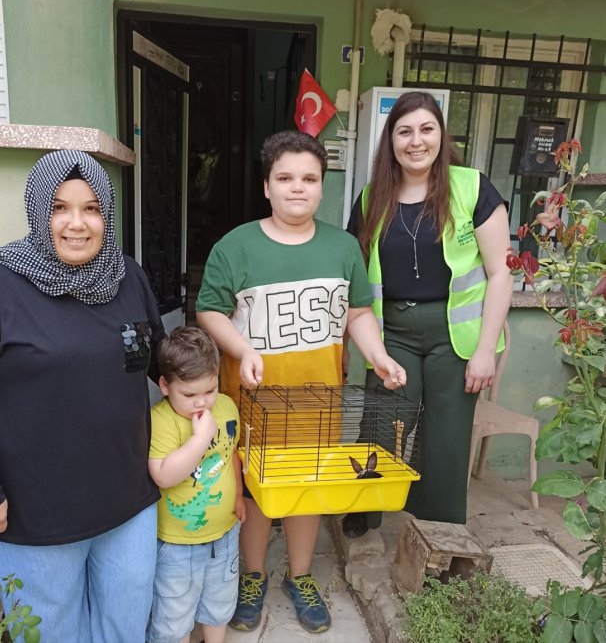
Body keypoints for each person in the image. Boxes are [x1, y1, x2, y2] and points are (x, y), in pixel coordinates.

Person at [0, 150, 165, 643]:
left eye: (92, 209)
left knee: (127, 626)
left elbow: (159, 359)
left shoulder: (125, 276)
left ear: (108, 213)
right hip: (34, 512)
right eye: (60, 208)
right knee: (53, 634)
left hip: (127, 501)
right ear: (39, 211)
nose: (77, 224)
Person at [196, 130, 406, 634]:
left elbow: (358, 312)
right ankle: (252, 577)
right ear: (266, 186)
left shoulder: (342, 247)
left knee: (306, 488)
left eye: (309, 178)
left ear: (322, 187)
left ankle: (301, 574)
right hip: (252, 401)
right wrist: (244, 349)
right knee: (254, 488)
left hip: (318, 398)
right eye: (285, 178)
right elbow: (209, 311)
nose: (297, 188)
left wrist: (377, 355)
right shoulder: (235, 246)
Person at [342, 90, 513, 537]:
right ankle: (367, 508)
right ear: (391, 140)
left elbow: (499, 275)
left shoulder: (473, 187)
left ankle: (440, 529)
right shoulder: (370, 198)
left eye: (426, 129)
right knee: (382, 423)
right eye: (404, 131)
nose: (415, 141)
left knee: (446, 438)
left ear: (440, 134)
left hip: (456, 337)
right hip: (391, 332)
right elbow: (355, 278)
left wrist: (485, 352)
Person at [147, 326, 246, 643]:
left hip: (225, 534)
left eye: (210, 390)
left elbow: (231, 456)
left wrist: (240, 496)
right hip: (178, 542)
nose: (202, 403)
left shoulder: (227, 408)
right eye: (189, 395)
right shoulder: (162, 420)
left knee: (220, 603)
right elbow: (162, 474)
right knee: (174, 614)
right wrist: (201, 438)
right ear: (165, 385)